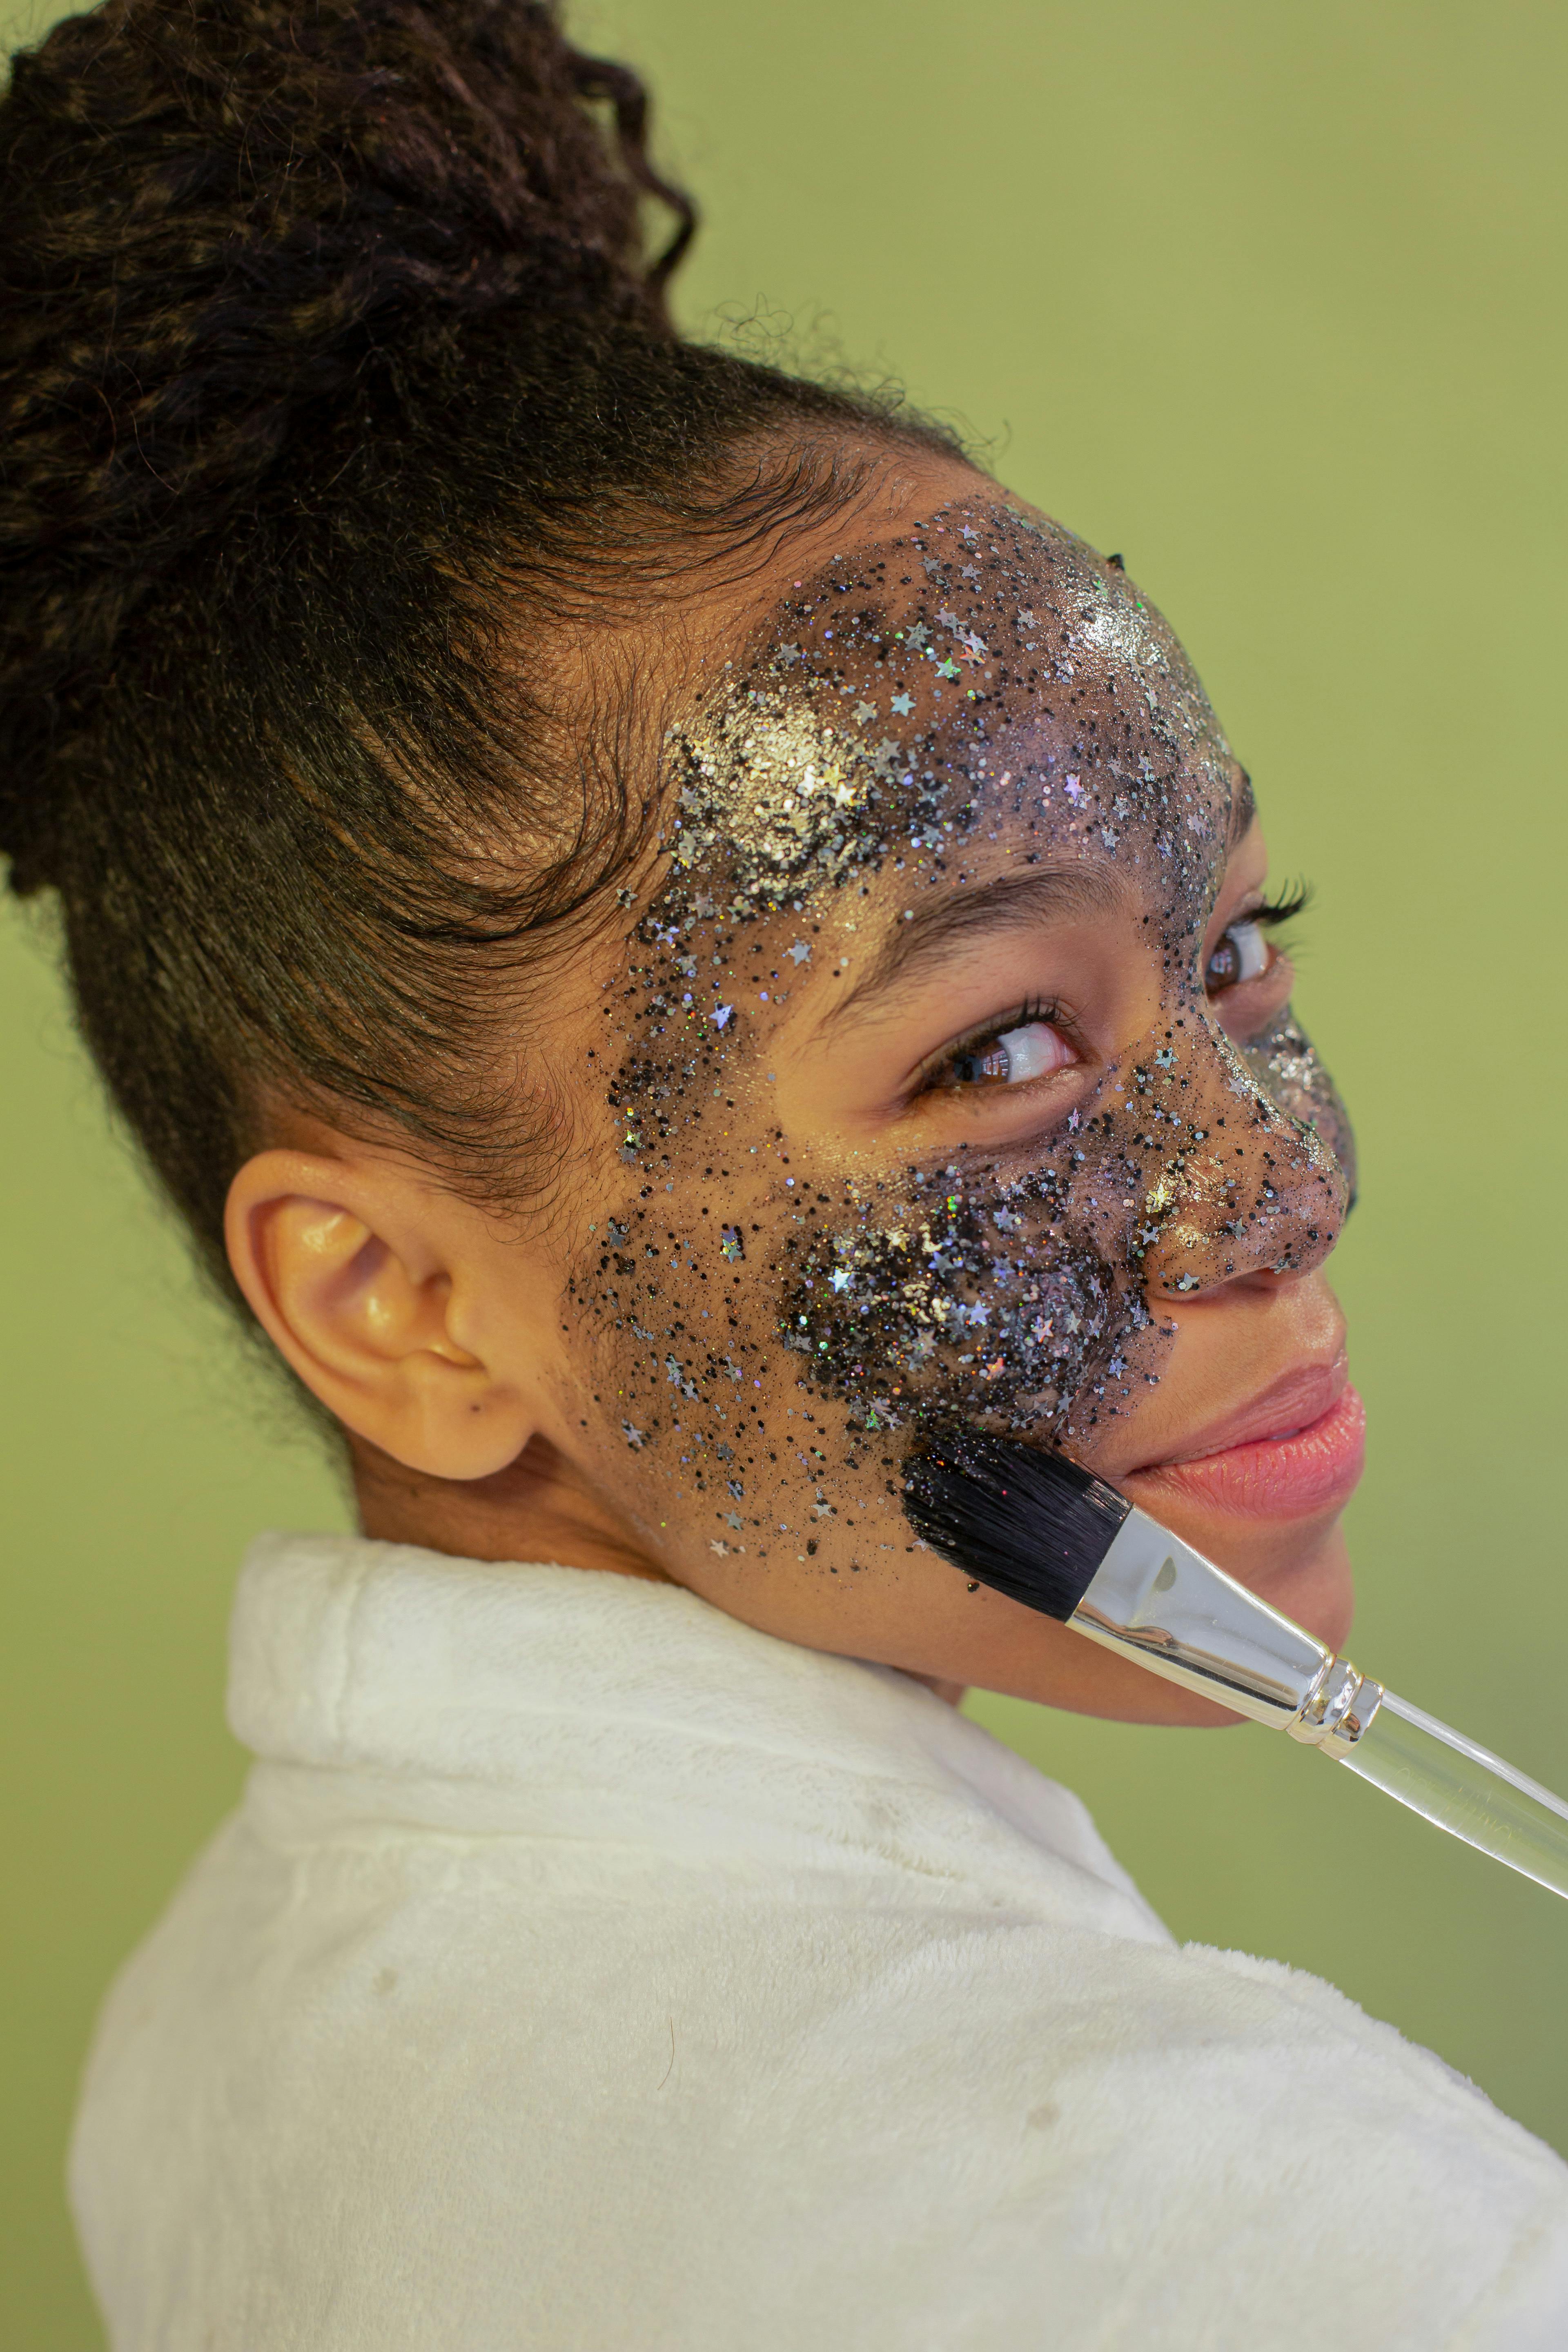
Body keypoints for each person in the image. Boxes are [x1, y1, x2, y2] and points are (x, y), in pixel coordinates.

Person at [3, 1, 1565, 2344]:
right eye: (1002, 1047)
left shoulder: (201, 2032)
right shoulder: (1278, 2241)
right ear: (397, 1305)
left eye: (1235, 945)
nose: (1274, 1183)